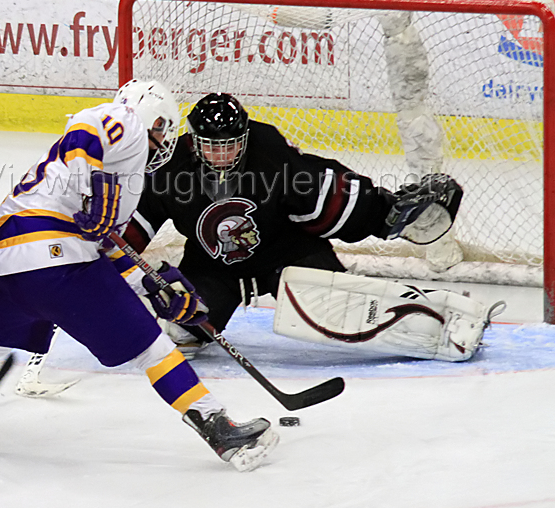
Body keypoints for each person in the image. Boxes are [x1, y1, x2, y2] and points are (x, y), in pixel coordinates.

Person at [0, 81, 279, 471]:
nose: (163, 140)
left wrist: (156, 287)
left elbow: (107, 247)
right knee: (151, 348)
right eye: (163, 129)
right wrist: (97, 183)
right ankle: (218, 427)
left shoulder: (121, 176)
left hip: (10, 262)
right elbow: (85, 130)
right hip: (56, 256)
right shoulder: (126, 126)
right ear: (154, 119)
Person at [123, 93, 464, 358]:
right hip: (212, 268)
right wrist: (101, 253)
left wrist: (385, 213)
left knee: (336, 302)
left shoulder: (266, 150)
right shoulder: (171, 167)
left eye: (230, 146)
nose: (222, 156)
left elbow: (323, 197)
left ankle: (425, 316)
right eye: (213, 147)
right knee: (183, 328)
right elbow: (134, 225)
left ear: (244, 138)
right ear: (194, 141)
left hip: (284, 252)